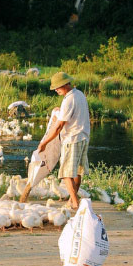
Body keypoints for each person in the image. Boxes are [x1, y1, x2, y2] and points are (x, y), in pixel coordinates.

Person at [37, 71, 90, 210]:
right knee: (78, 171)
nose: (56, 90)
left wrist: (44, 143)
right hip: (83, 137)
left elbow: (59, 126)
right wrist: (60, 110)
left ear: (66, 84)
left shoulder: (68, 99)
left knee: (66, 173)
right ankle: (73, 201)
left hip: (72, 138)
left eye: (58, 87)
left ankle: (75, 202)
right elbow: (74, 113)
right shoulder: (79, 94)